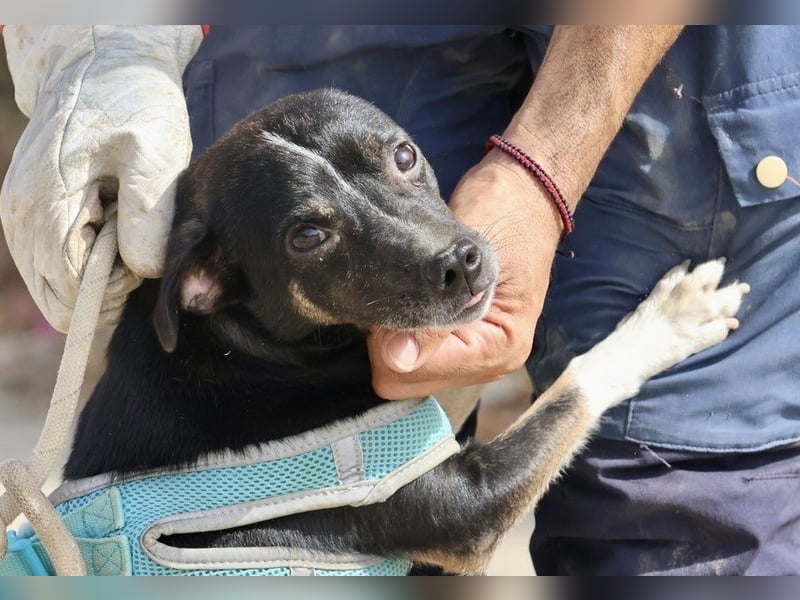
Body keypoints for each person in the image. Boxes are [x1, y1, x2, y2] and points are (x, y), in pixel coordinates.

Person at [3, 25, 798, 575]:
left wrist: (544, 170)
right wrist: (97, 47)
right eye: (311, 236)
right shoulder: (204, 312)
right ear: (205, 286)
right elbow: (468, 516)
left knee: (676, 495)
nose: (437, 251)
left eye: (402, 160)